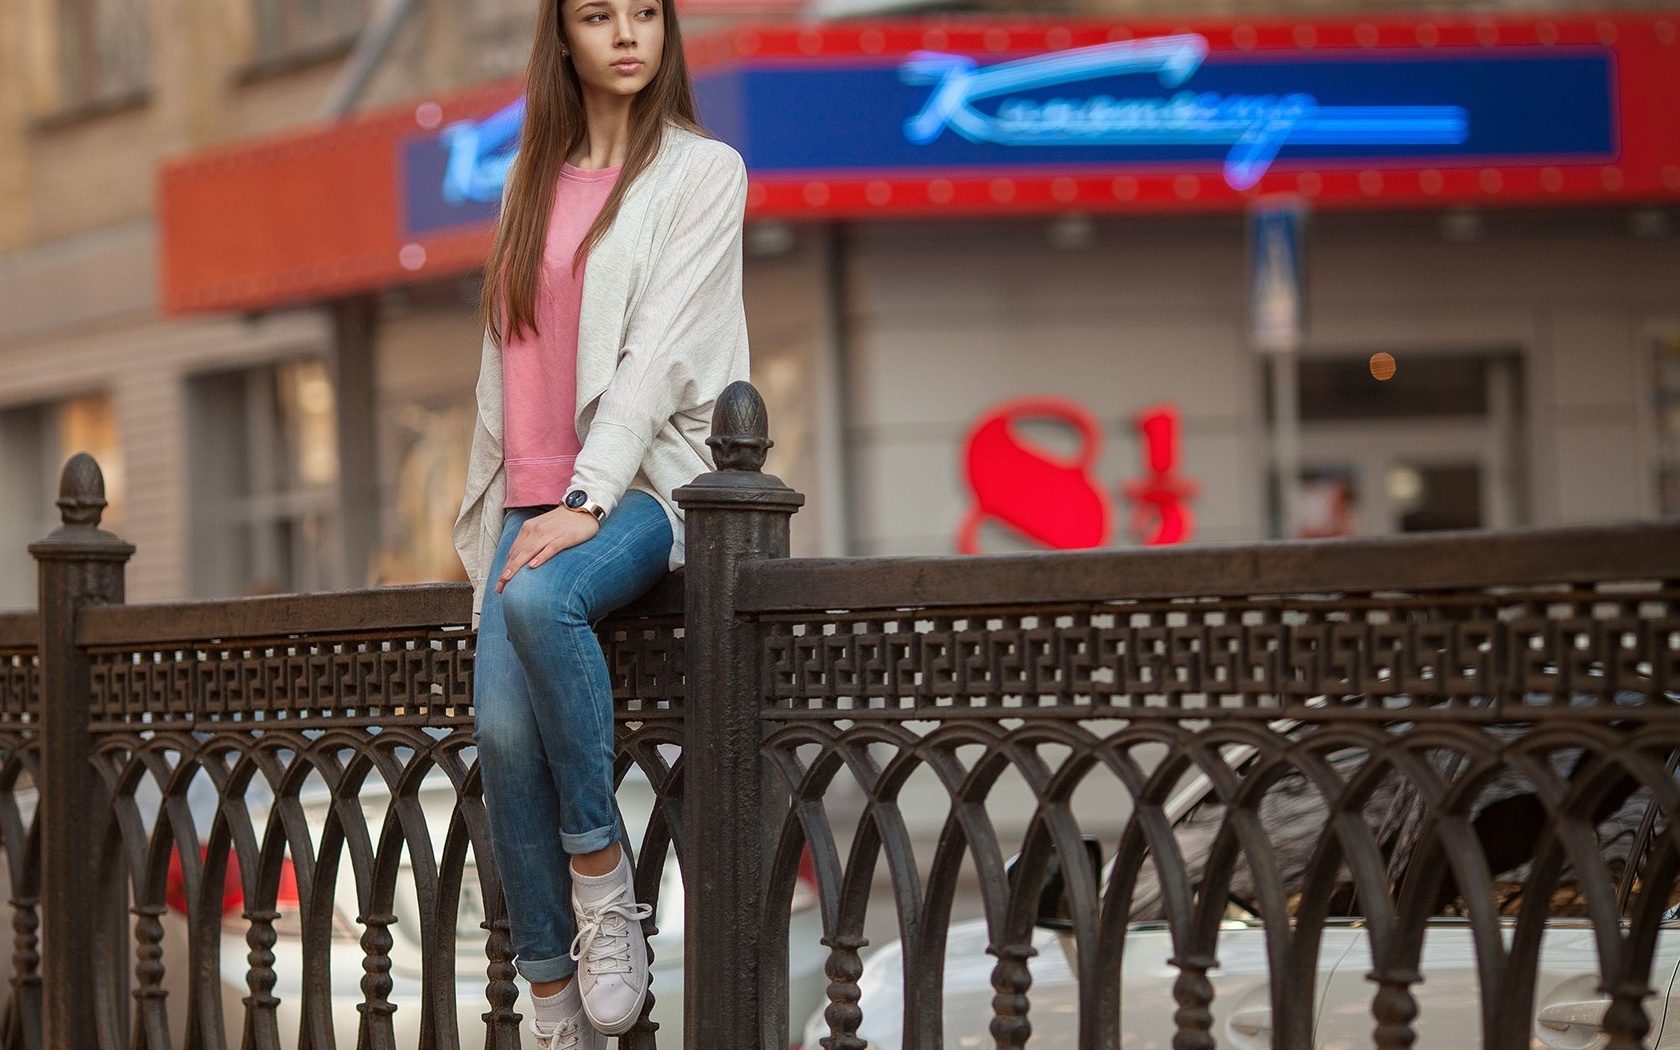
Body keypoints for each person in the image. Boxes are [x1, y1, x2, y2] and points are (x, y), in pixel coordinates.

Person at [452, 0, 749, 1045]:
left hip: (637, 487)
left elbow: (658, 353)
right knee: (498, 732)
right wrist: (517, 500)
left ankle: (601, 877)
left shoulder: (702, 173)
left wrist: (586, 497)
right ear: (563, 38)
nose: (625, 34)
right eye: (596, 15)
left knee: (539, 599)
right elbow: (507, 367)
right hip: (531, 498)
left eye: (644, 14)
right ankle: (550, 1006)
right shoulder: (524, 186)